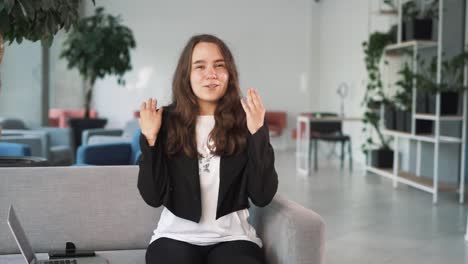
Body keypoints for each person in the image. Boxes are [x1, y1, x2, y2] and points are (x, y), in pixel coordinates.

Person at [138, 34, 278, 264]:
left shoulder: (246, 120)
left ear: (229, 73)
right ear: (187, 75)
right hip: (174, 238)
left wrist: (258, 133)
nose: (210, 74)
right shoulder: (165, 121)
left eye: (219, 65)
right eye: (200, 66)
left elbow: (262, 196)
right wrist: (150, 139)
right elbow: (152, 196)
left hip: (234, 240)